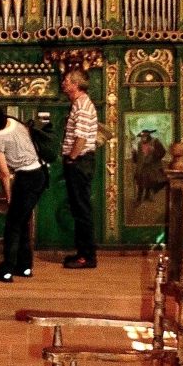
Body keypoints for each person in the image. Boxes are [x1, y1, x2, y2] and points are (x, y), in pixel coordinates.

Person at [0, 100, 47, 282]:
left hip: (26, 179)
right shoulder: (14, 122)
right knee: (22, 222)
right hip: (40, 174)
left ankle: (6, 271)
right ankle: (25, 267)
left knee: (12, 226)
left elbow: (4, 172)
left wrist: (9, 196)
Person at [61, 68, 104, 270]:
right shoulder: (79, 104)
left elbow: (81, 137)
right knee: (78, 209)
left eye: (67, 80)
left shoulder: (84, 106)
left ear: (76, 85)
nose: (63, 83)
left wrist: (71, 158)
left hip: (80, 161)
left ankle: (87, 256)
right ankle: (82, 253)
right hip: (79, 161)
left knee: (82, 210)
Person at [132, 129, 167, 203]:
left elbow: (163, 152)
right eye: (141, 137)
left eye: (144, 137)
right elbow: (138, 158)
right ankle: (139, 197)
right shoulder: (139, 144)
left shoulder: (155, 142)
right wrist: (134, 153)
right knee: (141, 181)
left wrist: (154, 151)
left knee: (149, 181)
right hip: (142, 166)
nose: (143, 138)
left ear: (148, 137)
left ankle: (147, 196)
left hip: (152, 165)